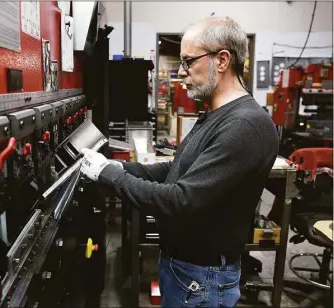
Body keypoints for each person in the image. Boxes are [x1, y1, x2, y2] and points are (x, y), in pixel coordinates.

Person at [80, 16, 279, 308]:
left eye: (188, 61)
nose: (182, 73)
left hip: (203, 279)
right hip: (185, 269)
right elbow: (177, 167)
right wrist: (122, 168)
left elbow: (181, 200)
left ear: (222, 60)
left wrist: (109, 175)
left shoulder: (245, 126)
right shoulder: (217, 114)